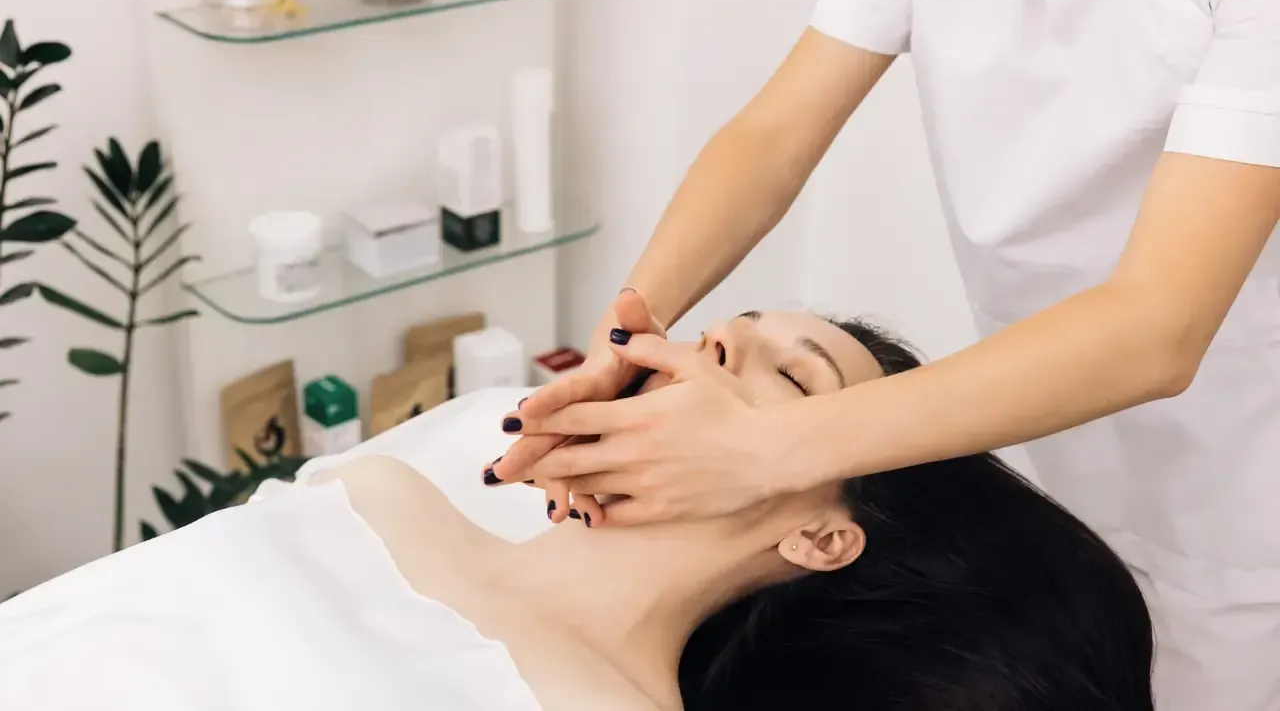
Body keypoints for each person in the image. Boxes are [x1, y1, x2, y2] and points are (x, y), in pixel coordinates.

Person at [495, 0, 1280, 708]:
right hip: (1050, 430)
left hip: (1242, 482)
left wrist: (758, 451)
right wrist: (628, 331)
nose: (718, 342)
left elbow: (1155, 328)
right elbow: (774, 134)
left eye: (794, 375)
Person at [0, 312, 1154, 711]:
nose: (719, 338)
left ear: (820, 533)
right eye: (723, 327)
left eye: (791, 378)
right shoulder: (381, 488)